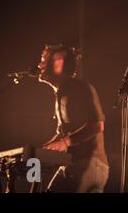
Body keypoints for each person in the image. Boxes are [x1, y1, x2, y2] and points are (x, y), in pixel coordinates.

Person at [38, 44, 109, 192]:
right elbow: (63, 133)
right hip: (73, 164)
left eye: (44, 60)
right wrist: (40, 151)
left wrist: (64, 143)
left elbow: (97, 125)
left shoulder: (78, 88)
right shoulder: (61, 93)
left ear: (59, 63)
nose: (40, 65)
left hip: (89, 162)